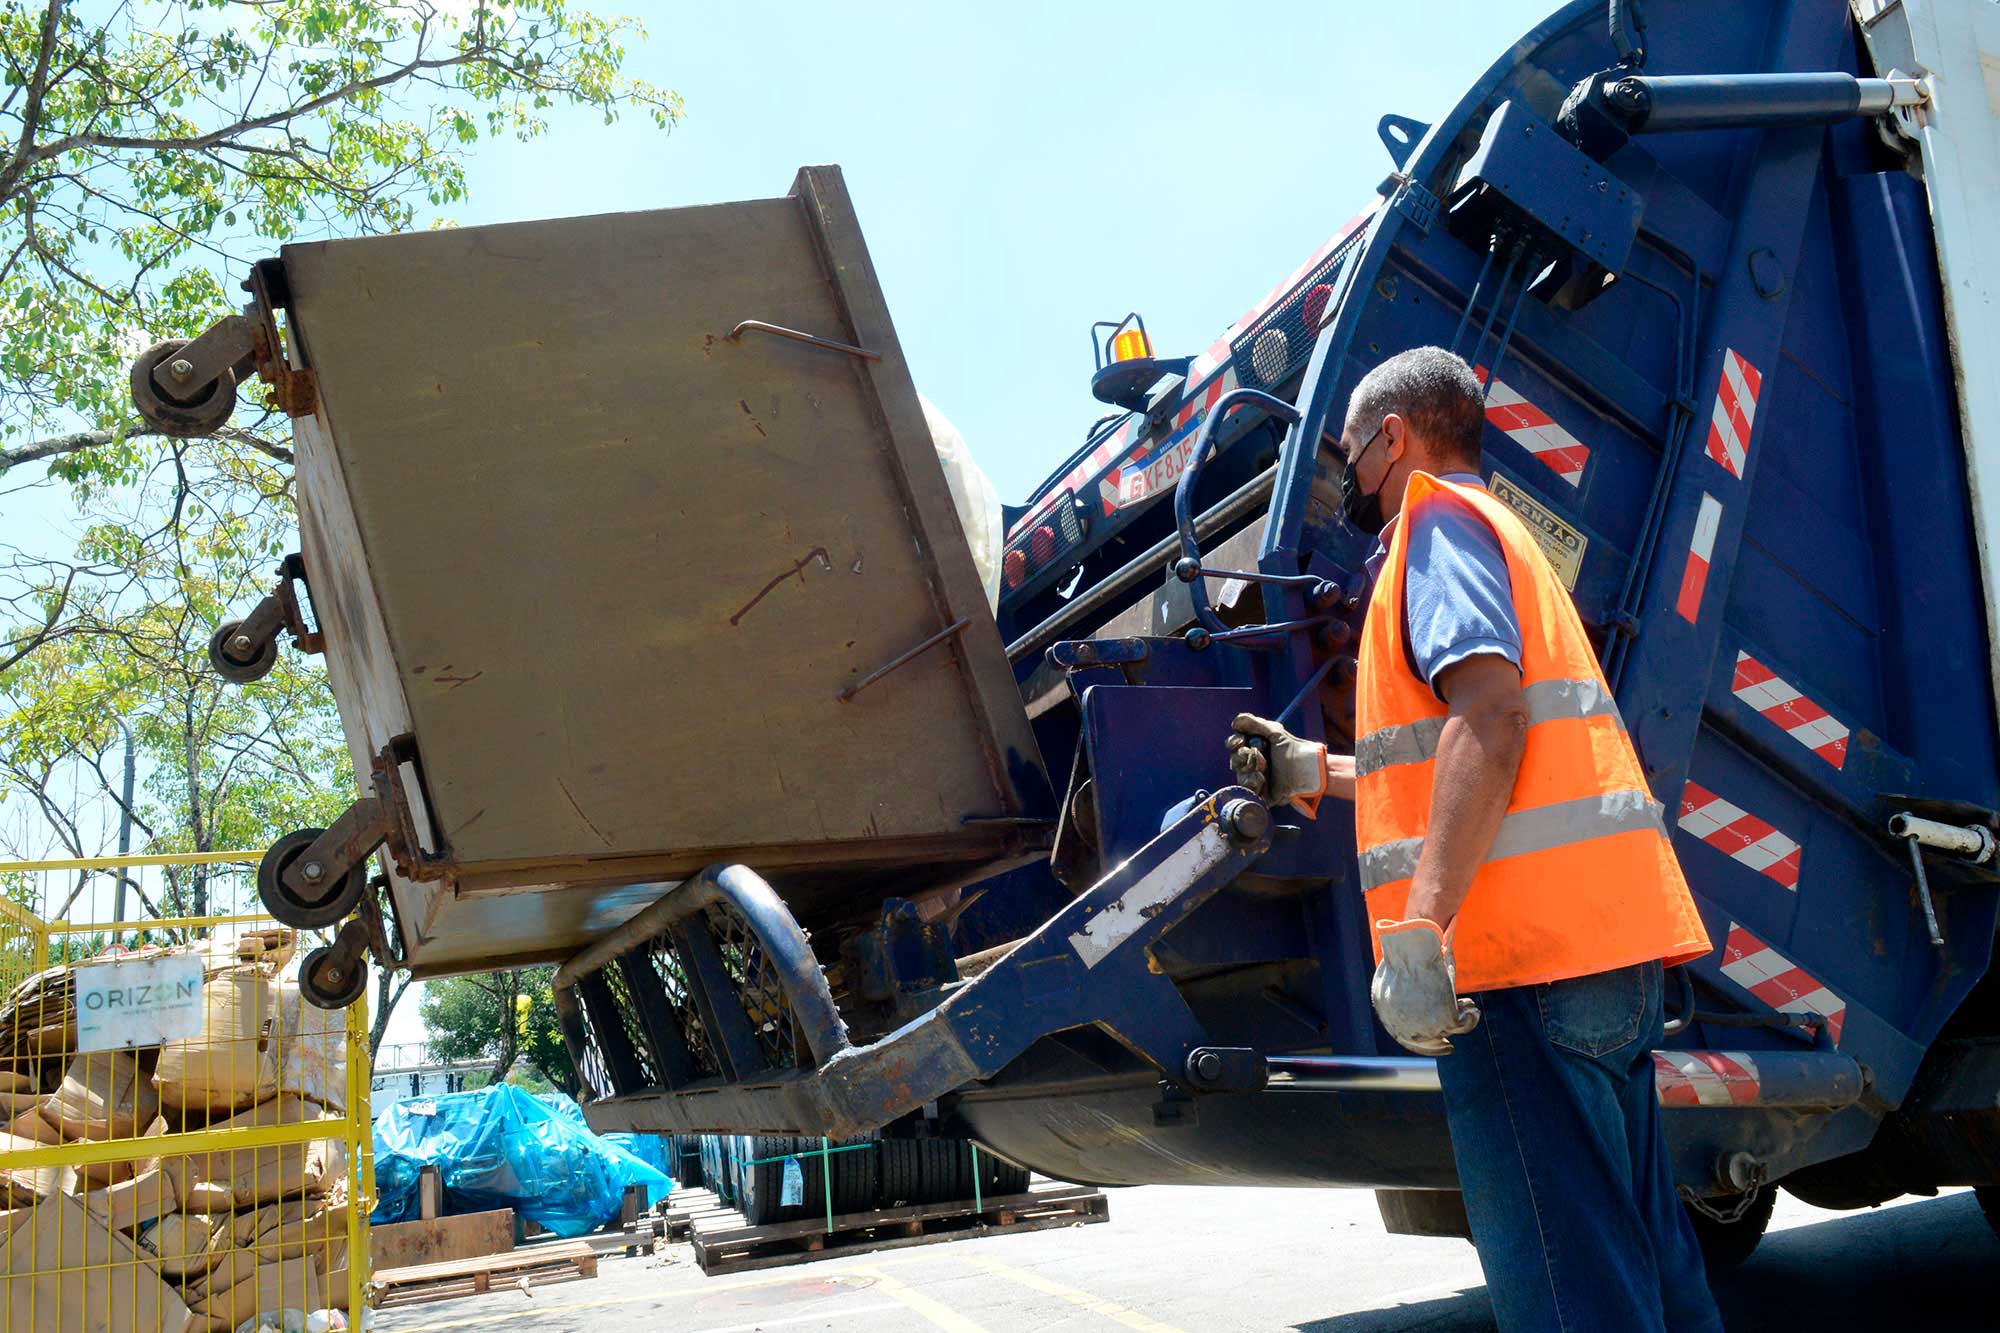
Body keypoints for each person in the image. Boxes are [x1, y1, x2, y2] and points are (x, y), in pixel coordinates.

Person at [1227, 347, 1722, 1332]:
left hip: (1514, 969)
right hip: (1597, 956)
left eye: (1350, 458)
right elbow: (1444, 757)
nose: (1352, 484)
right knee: (1638, 1260)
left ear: (1393, 439)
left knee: (1566, 1285)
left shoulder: (1435, 529)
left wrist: (1420, 930)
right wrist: (1309, 772)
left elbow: (1489, 719)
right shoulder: (1502, 533)